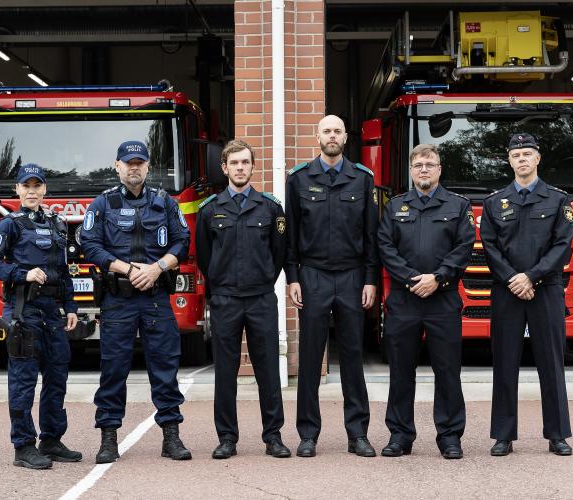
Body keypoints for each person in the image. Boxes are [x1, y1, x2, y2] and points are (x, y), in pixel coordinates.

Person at [81, 140, 192, 463]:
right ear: (117, 166)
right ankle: (108, 438)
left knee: (165, 368)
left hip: (156, 298)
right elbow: (90, 245)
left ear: (147, 166)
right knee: (113, 370)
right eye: (128, 163)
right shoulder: (102, 205)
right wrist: (128, 269)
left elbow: (182, 241)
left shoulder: (165, 202)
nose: (134, 167)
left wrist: (158, 268)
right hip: (119, 300)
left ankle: (171, 437)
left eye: (140, 162)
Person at [285, 115, 380, 458]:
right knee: (310, 357)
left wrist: (370, 279)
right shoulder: (298, 179)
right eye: (326, 131)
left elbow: (372, 235)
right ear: (317, 137)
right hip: (312, 276)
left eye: (338, 130)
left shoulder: (362, 178)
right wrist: (293, 277)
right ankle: (308, 434)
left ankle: (358, 434)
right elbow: (291, 235)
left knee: (353, 356)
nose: (332, 136)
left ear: (345, 137)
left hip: (353, 276)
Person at [0, 164, 82, 469]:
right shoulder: (10, 225)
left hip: (52, 313)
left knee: (57, 377)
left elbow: (63, 273)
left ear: (44, 191)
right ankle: (23, 446)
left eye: (37, 186)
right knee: (23, 381)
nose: (32, 191)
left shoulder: (57, 224)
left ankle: (50, 439)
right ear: (18, 190)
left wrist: (72, 307)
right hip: (23, 311)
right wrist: (22, 274)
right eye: (27, 186)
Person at [195, 139, 291, 459]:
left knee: (267, 371)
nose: (240, 168)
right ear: (224, 168)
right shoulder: (210, 210)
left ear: (253, 166)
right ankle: (226, 438)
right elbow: (204, 258)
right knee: (225, 372)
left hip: (261, 298)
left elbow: (279, 254)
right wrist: (220, 287)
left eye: (245, 162)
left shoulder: (270, 207)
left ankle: (273, 436)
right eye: (234, 163)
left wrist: (262, 277)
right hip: (225, 300)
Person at [377, 144, 474, 459]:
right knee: (401, 371)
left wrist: (438, 278)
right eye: (418, 164)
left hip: (442, 300)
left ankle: (449, 436)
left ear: (439, 169)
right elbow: (385, 247)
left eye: (429, 164)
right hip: (404, 301)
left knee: (447, 370)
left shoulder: (458, 207)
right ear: (411, 169)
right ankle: (400, 436)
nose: (423, 169)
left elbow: (464, 247)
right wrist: (410, 279)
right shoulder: (395, 207)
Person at [480, 132, 573, 457]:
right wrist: (513, 278)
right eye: (516, 155)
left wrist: (531, 276)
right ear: (509, 161)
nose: (522, 159)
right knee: (505, 363)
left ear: (538, 158)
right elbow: (489, 247)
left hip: (545, 290)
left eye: (527, 153)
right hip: (507, 292)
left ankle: (557, 434)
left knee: (551, 363)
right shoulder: (494, 202)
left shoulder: (558, 200)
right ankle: (503, 435)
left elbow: (562, 247)